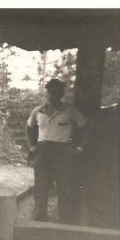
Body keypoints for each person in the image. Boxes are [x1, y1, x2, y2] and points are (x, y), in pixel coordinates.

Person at [26, 78, 89, 223]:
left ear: (61, 94)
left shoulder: (70, 110)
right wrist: (32, 146)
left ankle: (64, 224)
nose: (52, 95)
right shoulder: (38, 110)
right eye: (50, 92)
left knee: (64, 189)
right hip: (42, 152)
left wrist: (79, 147)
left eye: (56, 92)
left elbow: (86, 127)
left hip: (62, 153)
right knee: (40, 189)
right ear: (46, 93)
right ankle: (39, 222)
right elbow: (29, 127)